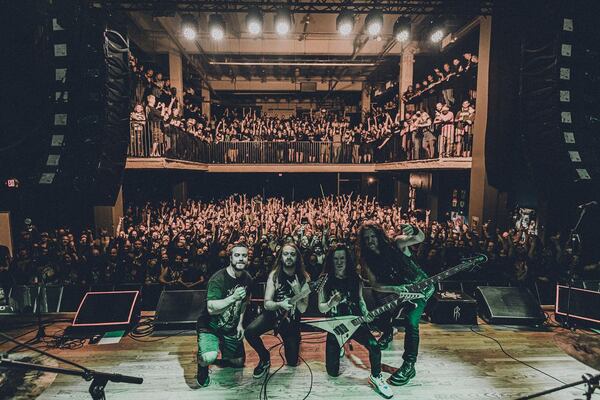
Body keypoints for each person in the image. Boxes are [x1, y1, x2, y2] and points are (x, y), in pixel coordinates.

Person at [356, 222, 434, 387]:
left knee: (411, 321)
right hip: (401, 291)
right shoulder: (367, 260)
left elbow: (420, 238)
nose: (370, 240)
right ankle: (388, 331)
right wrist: (395, 289)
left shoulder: (397, 243)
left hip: (420, 287)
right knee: (379, 300)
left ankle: (409, 365)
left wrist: (415, 229)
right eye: (366, 238)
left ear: (379, 235)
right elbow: (376, 284)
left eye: (373, 236)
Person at [318, 244, 393, 399]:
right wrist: (331, 303)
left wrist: (365, 313)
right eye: (336, 258)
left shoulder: (355, 278)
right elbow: (321, 308)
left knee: (374, 346)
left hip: (355, 322)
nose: (339, 262)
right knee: (332, 373)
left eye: (342, 258)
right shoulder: (324, 280)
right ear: (331, 260)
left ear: (347, 259)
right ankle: (340, 347)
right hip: (336, 326)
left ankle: (376, 376)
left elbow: (360, 300)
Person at [245, 243, 310, 379]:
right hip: (272, 316)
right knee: (250, 332)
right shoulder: (274, 275)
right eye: (286, 254)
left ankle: (294, 340)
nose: (289, 257)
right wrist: (280, 304)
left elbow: (303, 309)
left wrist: (298, 291)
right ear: (281, 257)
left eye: (292, 254)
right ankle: (264, 357)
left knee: (292, 362)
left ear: (297, 258)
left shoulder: (304, 278)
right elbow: (267, 303)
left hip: (291, 323)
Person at [196, 243, 252, 387]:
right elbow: (211, 309)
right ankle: (202, 365)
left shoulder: (247, 278)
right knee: (208, 357)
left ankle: (221, 345)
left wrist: (240, 324)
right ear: (230, 258)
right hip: (210, 326)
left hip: (230, 327)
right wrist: (232, 297)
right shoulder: (218, 279)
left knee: (238, 363)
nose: (241, 259)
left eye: (244, 256)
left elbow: (244, 303)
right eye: (237, 255)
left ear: (247, 259)